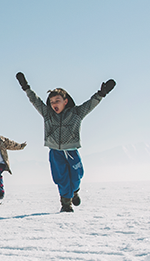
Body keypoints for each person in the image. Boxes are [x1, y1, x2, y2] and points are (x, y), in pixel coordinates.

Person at [15, 72, 116, 212]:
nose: (54, 104)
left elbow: (89, 105)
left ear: (65, 101)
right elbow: (35, 100)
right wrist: (26, 87)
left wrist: (101, 94)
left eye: (57, 101)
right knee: (61, 178)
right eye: (51, 102)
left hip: (71, 151)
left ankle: (74, 191)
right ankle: (66, 204)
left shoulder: (76, 113)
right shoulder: (47, 114)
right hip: (55, 152)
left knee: (77, 176)